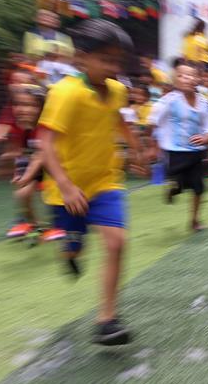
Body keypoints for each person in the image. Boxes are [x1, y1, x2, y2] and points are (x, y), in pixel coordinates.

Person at [37, 19, 146, 345]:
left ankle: (107, 319)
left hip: (105, 181)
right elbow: (45, 142)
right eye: (105, 59)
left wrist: (136, 147)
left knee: (116, 242)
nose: (113, 67)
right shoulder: (65, 93)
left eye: (117, 61)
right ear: (80, 58)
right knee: (75, 247)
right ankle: (69, 252)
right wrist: (67, 186)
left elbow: (116, 120)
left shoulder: (117, 90)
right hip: (67, 188)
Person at [148, 61, 208, 232]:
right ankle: (173, 189)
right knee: (178, 183)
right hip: (174, 152)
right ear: (175, 80)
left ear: (197, 79)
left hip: (196, 153)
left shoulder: (203, 102)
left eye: (190, 75)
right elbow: (152, 121)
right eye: (181, 75)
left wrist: (206, 137)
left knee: (199, 187)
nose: (186, 79)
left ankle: (194, 221)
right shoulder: (169, 101)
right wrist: (153, 145)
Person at [2, 84, 66, 242]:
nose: (22, 110)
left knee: (54, 188)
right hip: (41, 167)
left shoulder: (46, 126)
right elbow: (24, 154)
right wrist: (19, 174)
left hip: (59, 166)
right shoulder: (23, 128)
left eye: (29, 105)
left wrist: (27, 176)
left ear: (42, 107)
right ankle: (34, 225)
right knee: (21, 194)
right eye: (18, 104)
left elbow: (41, 154)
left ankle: (61, 225)